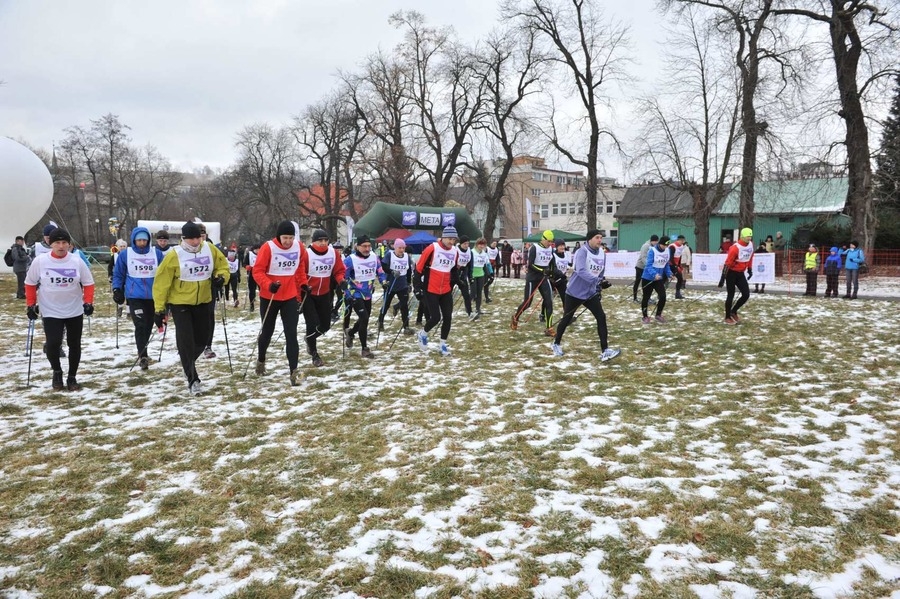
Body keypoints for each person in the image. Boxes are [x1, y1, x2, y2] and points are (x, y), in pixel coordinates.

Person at [152, 221, 230, 396]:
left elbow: (223, 266)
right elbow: (161, 283)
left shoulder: (209, 249)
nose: (195, 242)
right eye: (191, 239)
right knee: (186, 339)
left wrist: (221, 278)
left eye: (197, 238)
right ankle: (193, 379)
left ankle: (187, 362)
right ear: (183, 239)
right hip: (180, 303)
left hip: (203, 300)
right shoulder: (174, 255)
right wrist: (159, 309)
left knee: (202, 339)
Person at [24, 228, 95, 391]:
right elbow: (30, 283)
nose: (61, 246)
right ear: (51, 244)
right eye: (57, 243)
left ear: (69, 244)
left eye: (64, 243)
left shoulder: (76, 261)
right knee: (53, 343)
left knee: (74, 344)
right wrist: (31, 304)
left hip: (74, 309)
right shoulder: (40, 261)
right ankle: (57, 371)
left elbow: (88, 283)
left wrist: (88, 302)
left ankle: (72, 377)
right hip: (50, 309)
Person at [251, 220, 310, 383]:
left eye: (291, 238)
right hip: (270, 296)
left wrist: (303, 284)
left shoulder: (299, 247)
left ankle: (294, 371)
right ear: (279, 236)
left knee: (291, 334)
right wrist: (269, 285)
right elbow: (258, 271)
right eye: (285, 238)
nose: (288, 242)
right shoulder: (268, 247)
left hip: (290, 296)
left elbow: (300, 267)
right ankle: (261, 359)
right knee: (267, 332)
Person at [550, 230, 620, 362]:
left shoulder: (601, 253)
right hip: (575, 292)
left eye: (601, 238)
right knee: (567, 318)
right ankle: (556, 343)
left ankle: (605, 350)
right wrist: (597, 281)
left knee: (601, 317)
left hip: (590, 293)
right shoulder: (582, 252)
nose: (600, 240)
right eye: (597, 237)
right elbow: (581, 271)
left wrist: (600, 286)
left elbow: (600, 272)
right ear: (589, 239)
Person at [112, 226, 167, 370]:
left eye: (144, 240)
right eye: (139, 240)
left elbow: (165, 274)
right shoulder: (126, 254)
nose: (142, 242)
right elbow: (118, 274)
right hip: (135, 296)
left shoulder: (156, 254)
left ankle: (143, 350)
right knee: (140, 324)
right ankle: (143, 355)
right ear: (134, 240)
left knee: (148, 325)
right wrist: (117, 289)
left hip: (153, 296)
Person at [414, 226, 459, 356]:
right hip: (431, 288)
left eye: (454, 240)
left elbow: (454, 269)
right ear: (443, 237)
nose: (452, 242)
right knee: (435, 317)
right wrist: (417, 288)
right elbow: (418, 269)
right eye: (450, 239)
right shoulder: (432, 248)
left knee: (448, 318)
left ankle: (443, 345)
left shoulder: (455, 251)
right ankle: (423, 334)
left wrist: (457, 281)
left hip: (445, 289)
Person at [304, 229, 347, 367]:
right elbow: (300, 273)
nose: (323, 243)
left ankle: (309, 339)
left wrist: (341, 281)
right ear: (313, 241)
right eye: (319, 240)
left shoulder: (333, 253)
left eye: (325, 240)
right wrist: (303, 286)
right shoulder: (306, 254)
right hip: (308, 294)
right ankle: (315, 354)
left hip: (324, 293)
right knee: (312, 324)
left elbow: (338, 270)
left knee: (325, 325)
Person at [342, 235, 387, 358]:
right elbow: (342, 277)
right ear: (358, 246)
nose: (367, 249)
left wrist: (384, 282)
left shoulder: (374, 257)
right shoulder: (350, 260)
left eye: (369, 246)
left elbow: (380, 271)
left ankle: (350, 333)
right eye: (364, 246)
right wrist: (346, 292)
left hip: (368, 293)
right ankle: (364, 348)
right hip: (355, 293)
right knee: (365, 318)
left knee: (364, 318)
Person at [511, 229, 561, 337]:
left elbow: (552, 264)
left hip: (544, 278)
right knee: (527, 303)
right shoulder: (534, 248)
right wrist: (542, 270)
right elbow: (531, 265)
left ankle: (549, 328)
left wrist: (552, 275)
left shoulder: (550, 250)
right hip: (532, 278)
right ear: (543, 239)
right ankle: (515, 317)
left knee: (549, 302)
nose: (550, 244)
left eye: (552, 242)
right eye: (549, 241)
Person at [377, 237, 414, 332]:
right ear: (395, 247)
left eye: (403, 248)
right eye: (400, 248)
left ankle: (406, 326)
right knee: (386, 304)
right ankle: (380, 321)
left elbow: (409, 270)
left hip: (402, 285)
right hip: (391, 284)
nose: (402, 250)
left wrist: (409, 283)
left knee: (404, 305)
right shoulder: (389, 255)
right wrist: (392, 271)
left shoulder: (406, 257)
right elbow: (383, 266)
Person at [718, 228, 754, 324]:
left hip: (740, 273)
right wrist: (722, 278)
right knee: (731, 295)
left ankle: (733, 311)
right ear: (742, 236)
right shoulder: (735, 248)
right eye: (747, 236)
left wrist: (750, 269)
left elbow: (750, 257)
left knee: (746, 294)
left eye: (750, 236)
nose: (749, 238)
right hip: (731, 273)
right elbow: (727, 263)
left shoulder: (750, 245)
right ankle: (727, 317)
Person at [640, 235, 673, 324]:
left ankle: (658, 314)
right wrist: (654, 274)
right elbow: (648, 265)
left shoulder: (667, 251)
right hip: (648, 277)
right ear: (660, 244)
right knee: (646, 298)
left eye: (667, 246)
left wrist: (669, 273)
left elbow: (666, 264)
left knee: (663, 296)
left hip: (658, 279)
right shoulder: (652, 250)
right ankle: (645, 316)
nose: (665, 247)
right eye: (664, 245)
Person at [470, 238, 493, 320]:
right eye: (480, 244)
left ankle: (477, 309)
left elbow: (487, 264)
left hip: (481, 274)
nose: (482, 246)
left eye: (483, 244)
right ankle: (469, 308)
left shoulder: (484, 253)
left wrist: (490, 274)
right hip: (473, 274)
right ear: (476, 244)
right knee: (473, 293)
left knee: (479, 292)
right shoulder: (472, 252)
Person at [633, 235, 658, 303]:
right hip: (640, 267)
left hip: (648, 268)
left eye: (657, 241)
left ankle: (647, 297)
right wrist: (648, 266)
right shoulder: (646, 246)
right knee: (638, 282)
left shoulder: (654, 247)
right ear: (651, 240)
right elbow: (643, 257)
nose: (656, 242)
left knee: (648, 283)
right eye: (655, 241)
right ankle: (635, 298)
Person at [454, 236, 474, 319]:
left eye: (468, 243)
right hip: (454, 273)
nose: (466, 245)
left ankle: (470, 312)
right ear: (461, 243)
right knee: (447, 294)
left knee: (466, 295)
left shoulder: (469, 251)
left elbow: (470, 266)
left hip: (463, 274)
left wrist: (470, 277)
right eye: (465, 243)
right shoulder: (455, 250)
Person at [551, 240, 570, 304]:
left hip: (562, 280)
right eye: (560, 246)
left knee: (566, 299)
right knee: (548, 300)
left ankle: (567, 313)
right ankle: (543, 313)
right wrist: (560, 274)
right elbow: (553, 268)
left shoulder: (566, 254)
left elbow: (567, 265)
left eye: (563, 245)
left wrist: (569, 269)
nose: (562, 247)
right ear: (556, 247)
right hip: (553, 280)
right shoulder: (553, 255)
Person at [668, 235, 687, 299]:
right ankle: (660, 294)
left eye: (683, 241)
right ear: (678, 240)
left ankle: (677, 294)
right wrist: (676, 266)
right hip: (670, 265)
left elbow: (679, 256)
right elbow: (671, 258)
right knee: (665, 279)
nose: (683, 242)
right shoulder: (672, 246)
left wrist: (679, 265)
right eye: (682, 241)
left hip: (676, 265)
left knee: (680, 278)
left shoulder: (681, 246)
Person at [243, 243, 259, 311]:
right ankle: (251, 305)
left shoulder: (262, 254)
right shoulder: (249, 254)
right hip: (251, 274)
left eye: (259, 249)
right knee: (252, 290)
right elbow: (244, 263)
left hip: (260, 274)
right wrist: (246, 266)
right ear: (254, 249)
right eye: (256, 250)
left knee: (262, 289)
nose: (258, 251)